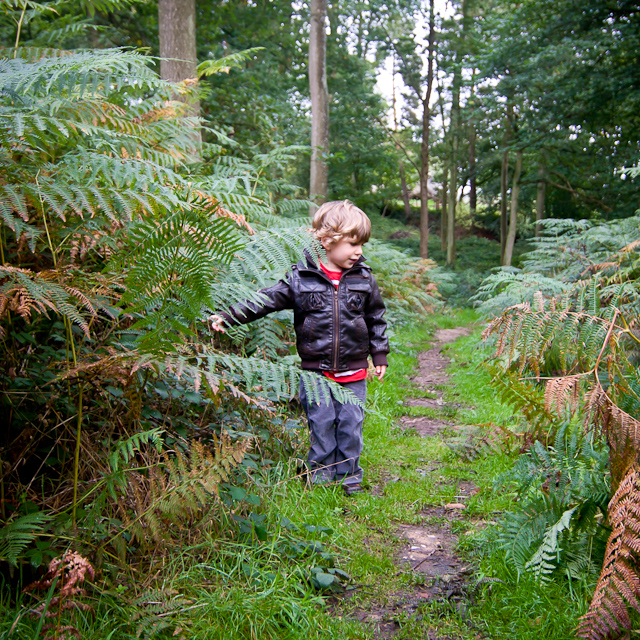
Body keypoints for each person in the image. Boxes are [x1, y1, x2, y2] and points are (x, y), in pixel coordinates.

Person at [210, 200, 389, 495]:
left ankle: (349, 477)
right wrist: (230, 316)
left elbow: (375, 317)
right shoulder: (300, 279)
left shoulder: (364, 278)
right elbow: (265, 300)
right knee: (320, 424)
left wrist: (379, 352)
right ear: (327, 240)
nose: (358, 251)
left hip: (354, 370)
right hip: (315, 372)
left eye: (361, 244)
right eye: (353, 243)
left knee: (350, 425)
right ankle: (319, 475)